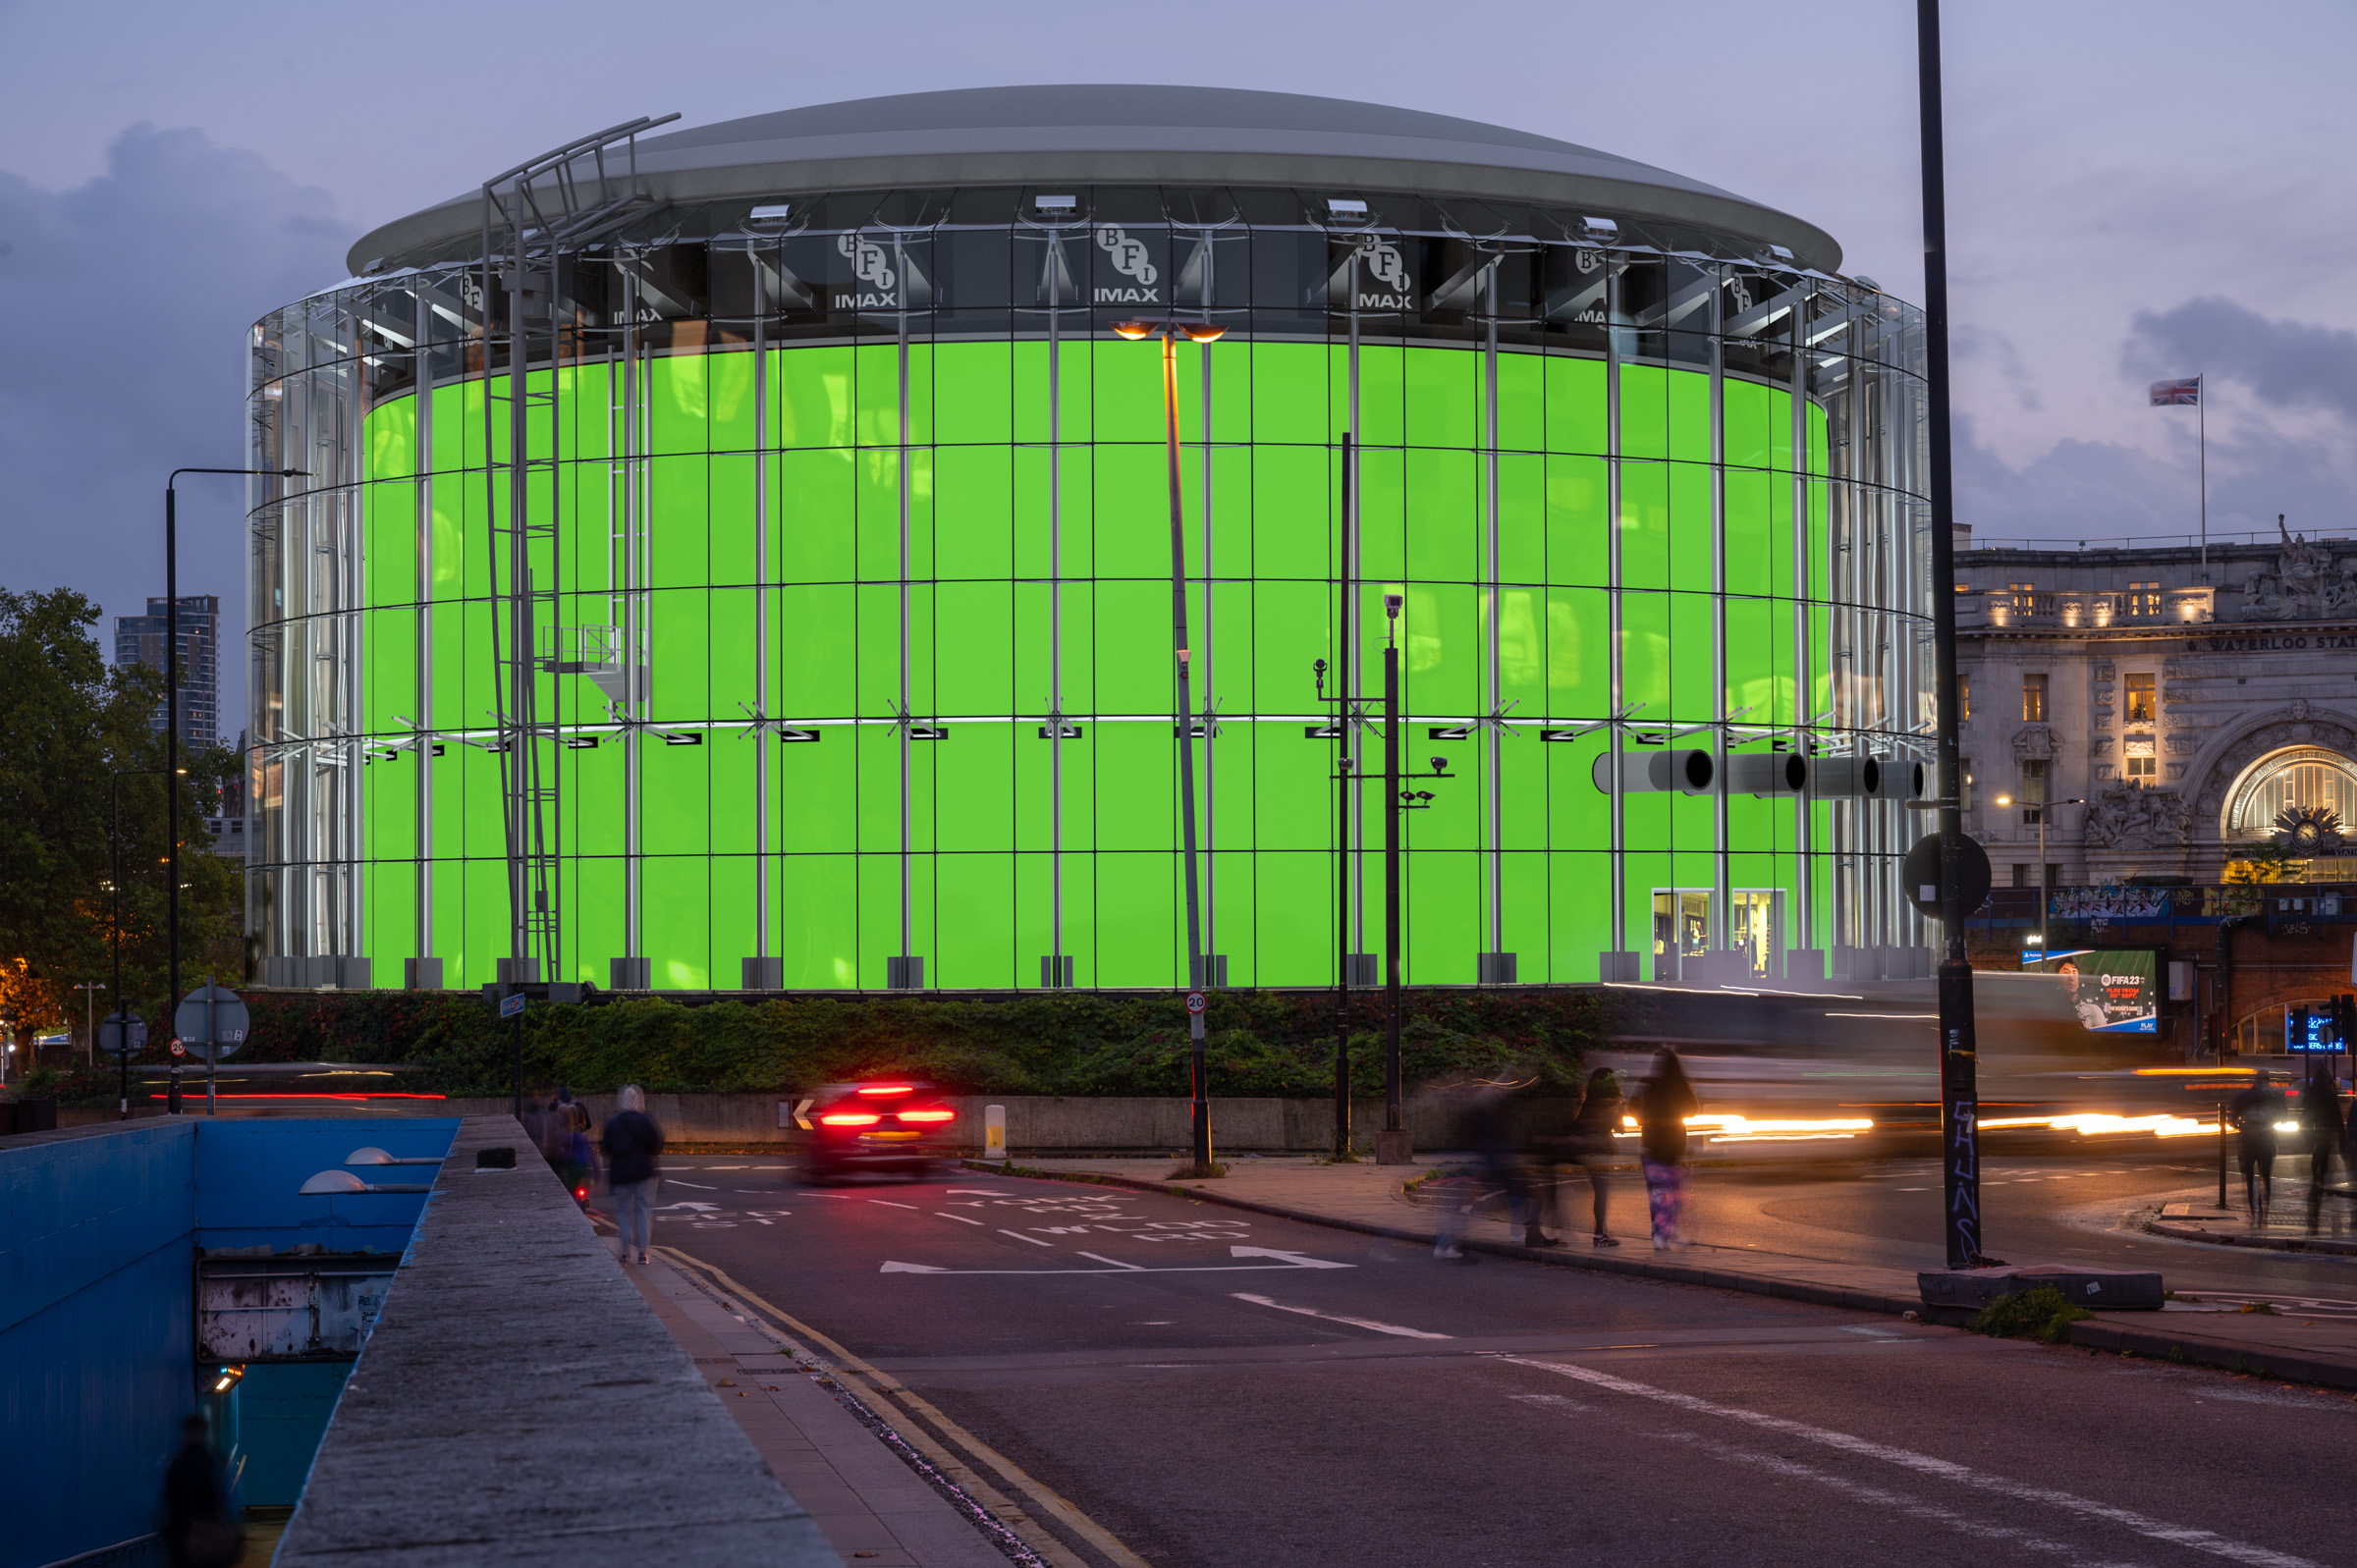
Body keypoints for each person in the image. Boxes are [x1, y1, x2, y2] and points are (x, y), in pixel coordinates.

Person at [1636, 1049, 1699, 1250]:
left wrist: (1645, 1119)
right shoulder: (1680, 1085)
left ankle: (1659, 1234)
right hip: (1674, 1147)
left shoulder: (1648, 1083)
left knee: (1657, 1194)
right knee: (1673, 1193)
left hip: (1651, 1145)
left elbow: (1632, 1109)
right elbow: (1693, 1109)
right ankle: (1669, 1232)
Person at [160, 1413, 242, 1568]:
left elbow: (157, 1503)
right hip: (209, 1540)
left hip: (180, 1539)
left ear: (184, 1434)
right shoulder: (215, 1464)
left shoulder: (172, 1465)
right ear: (204, 1435)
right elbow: (231, 1502)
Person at [602, 1084, 664, 1265]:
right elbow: (656, 1143)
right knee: (642, 1210)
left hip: (621, 1173)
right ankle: (643, 1252)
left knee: (623, 1211)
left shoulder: (614, 1122)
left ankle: (624, 1251)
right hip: (643, 1172)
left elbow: (607, 1147)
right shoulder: (645, 1120)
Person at [1566, 1067, 1625, 1247]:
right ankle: (1600, 1234)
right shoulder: (1611, 1102)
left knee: (1596, 1190)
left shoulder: (1588, 1100)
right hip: (1600, 1149)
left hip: (1586, 1148)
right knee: (1601, 1192)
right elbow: (1620, 1128)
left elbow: (1578, 1123)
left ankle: (1601, 1230)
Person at [2227, 1070, 2286, 1229]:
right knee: (2265, 1177)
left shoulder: (2244, 1097)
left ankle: (2253, 1212)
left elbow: (2231, 1119)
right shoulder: (2273, 1097)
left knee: (2249, 1179)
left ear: (2255, 1081)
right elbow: (2284, 1117)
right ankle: (2263, 1214)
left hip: (2249, 1139)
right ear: (2267, 1081)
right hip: (2267, 1139)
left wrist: (2241, 1126)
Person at [2304, 1062, 2345, 1236]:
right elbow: (2337, 1120)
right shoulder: (2330, 1097)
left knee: (2316, 1173)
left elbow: (2306, 1117)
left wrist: (2305, 1138)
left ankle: (2313, 1212)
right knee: (2326, 1172)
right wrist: (2343, 1139)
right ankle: (2329, 1213)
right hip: (2326, 1139)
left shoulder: (2311, 1096)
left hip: (2316, 1139)